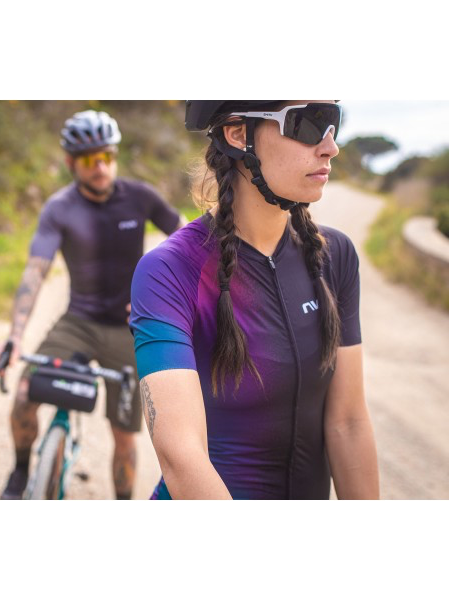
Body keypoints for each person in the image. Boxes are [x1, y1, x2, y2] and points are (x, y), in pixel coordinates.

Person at [129, 100, 380, 499]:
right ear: (237, 134)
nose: (330, 147)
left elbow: (347, 422)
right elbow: (180, 456)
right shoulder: (170, 270)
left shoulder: (336, 255)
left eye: (332, 123)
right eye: (307, 123)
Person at [0, 109, 183, 500]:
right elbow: (35, 272)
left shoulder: (140, 196)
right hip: (78, 322)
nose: (99, 167)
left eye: (106, 156)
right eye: (88, 159)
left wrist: (164, 298)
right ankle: (20, 471)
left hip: (129, 327)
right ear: (70, 163)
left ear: (115, 156)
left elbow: (188, 241)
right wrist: (15, 336)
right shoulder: (59, 208)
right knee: (25, 395)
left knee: (125, 435)